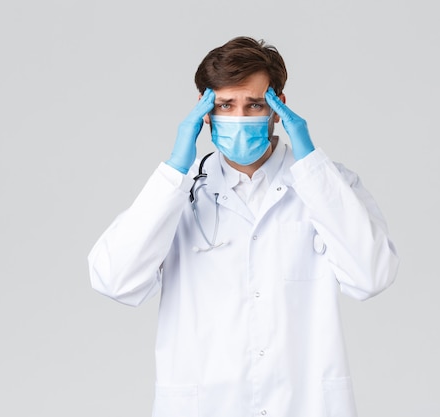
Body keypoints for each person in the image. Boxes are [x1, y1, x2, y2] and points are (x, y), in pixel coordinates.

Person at [88, 36, 399, 417]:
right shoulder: (179, 195)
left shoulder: (329, 187)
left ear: (277, 106)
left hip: (303, 405)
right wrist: (174, 170)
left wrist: (312, 164)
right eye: (225, 105)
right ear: (205, 112)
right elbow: (114, 280)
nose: (240, 117)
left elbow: (372, 275)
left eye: (254, 104)